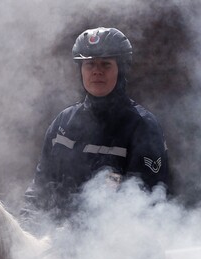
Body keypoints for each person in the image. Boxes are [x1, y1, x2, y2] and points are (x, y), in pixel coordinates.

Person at [20, 26, 174, 232]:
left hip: (118, 247)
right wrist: (25, 231)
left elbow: (146, 204)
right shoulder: (63, 124)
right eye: (89, 64)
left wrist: (77, 233)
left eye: (106, 64)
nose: (96, 71)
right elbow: (40, 188)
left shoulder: (142, 126)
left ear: (121, 69)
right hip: (57, 243)